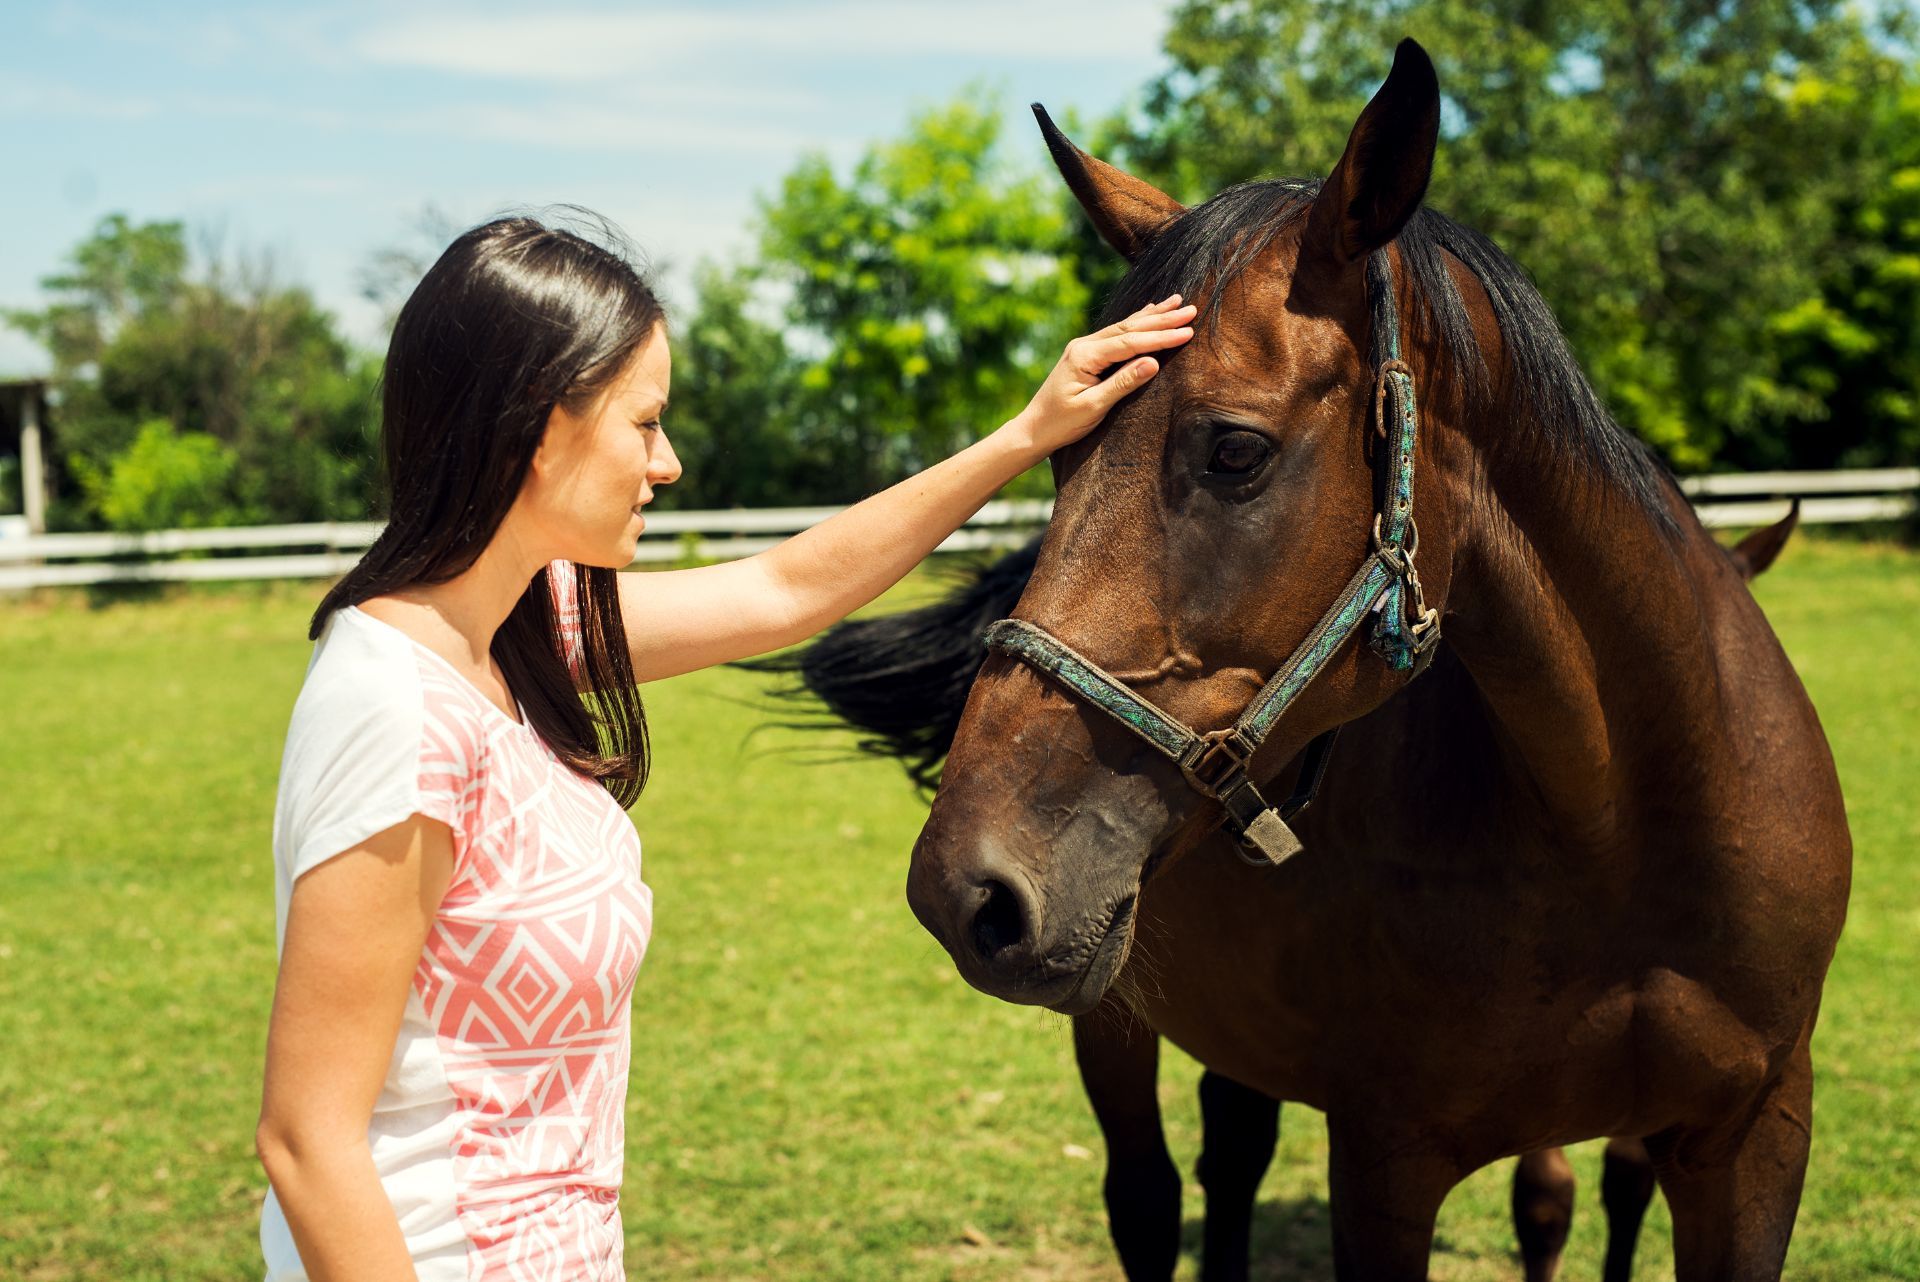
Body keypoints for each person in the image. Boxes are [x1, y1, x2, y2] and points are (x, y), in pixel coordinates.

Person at [253, 212, 1194, 1281]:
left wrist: (1027, 435)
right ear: (540, 427)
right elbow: (308, 1140)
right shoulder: (395, 705)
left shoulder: (518, 634)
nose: (669, 462)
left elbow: (786, 588)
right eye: (644, 422)